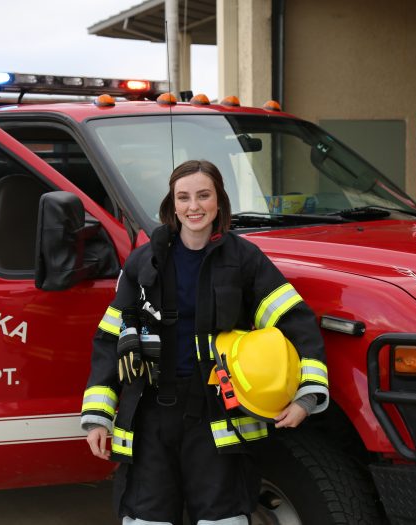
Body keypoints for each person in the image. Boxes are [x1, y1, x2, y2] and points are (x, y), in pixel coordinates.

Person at [81, 159, 329, 525]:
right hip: (151, 415)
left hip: (217, 413)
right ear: (172, 204)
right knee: (147, 518)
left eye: (203, 195)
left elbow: (294, 321)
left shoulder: (243, 259)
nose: (193, 206)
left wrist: (308, 395)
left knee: (222, 518)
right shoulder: (144, 261)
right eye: (183, 197)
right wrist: (98, 417)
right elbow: (110, 339)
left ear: (218, 201)